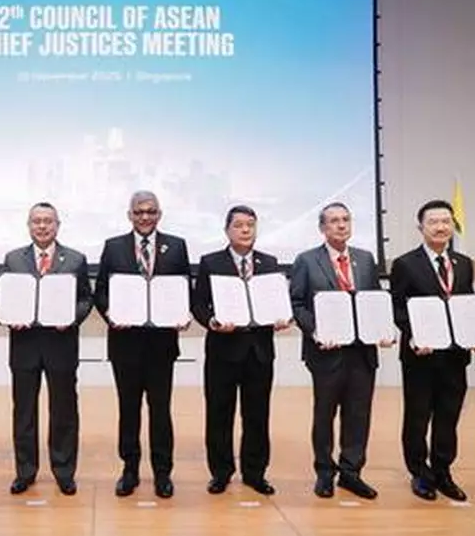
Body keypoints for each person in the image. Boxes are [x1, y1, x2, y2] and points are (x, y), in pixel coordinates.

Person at [94, 190, 191, 498]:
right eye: (139, 212)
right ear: (129, 215)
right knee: (129, 409)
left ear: (159, 214)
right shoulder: (113, 246)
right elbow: (101, 292)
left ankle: (163, 473)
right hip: (125, 343)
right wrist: (111, 314)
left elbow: (183, 287)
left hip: (162, 344)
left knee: (160, 410)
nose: (145, 217)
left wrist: (182, 313)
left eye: (150, 211)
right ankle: (130, 470)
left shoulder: (176, 246)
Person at [289, 201, 388, 500]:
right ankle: (324, 472)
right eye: (333, 221)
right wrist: (317, 331)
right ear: (322, 228)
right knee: (324, 414)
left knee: (359, 414)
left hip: (362, 351)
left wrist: (382, 329)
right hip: (326, 352)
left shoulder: (365, 259)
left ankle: (351, 472)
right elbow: (297, 304)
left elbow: (374, 300)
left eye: (345, 219)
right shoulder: (306, 260)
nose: (341, 225)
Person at [190, 205, 289, 496]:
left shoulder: (270, 263)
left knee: (257, 414)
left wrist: (284, 318)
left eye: (251, 225)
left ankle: (255, 473)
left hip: (259, 351)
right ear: (227, 230)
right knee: (219, 413)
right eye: (239, 225)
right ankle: (220, 472)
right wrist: (212, 321)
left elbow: (279, 302)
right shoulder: (211, 262)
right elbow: (199, 304)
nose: (245, 230)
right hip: (223, 349)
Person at [1, 202, 93, 496]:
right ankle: (25, 472)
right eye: (37, 221)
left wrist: (72, 317)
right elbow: (8, 296)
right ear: (29, 225)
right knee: (24, 412)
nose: (42, 226)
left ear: (58, 225)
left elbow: (85, 299)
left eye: (48, 221)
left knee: (63, 410)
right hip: (25, 345)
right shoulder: (13, 259)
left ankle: (64, 471)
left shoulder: (76, 259)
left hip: (61, 344)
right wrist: (10, 316)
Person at [389, 199, 475, 502]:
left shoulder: (463, 263)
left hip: (455, 355)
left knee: (449, 415)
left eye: (446, 221)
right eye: (433, 222)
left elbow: (468, 305)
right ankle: (420, 473)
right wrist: (414, 336)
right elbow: (398, 309)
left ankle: (443, 471)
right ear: (421, 227)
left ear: (453, 226)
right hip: (420, 355)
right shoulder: (404, 264)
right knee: (418, 416)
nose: (441, 227)